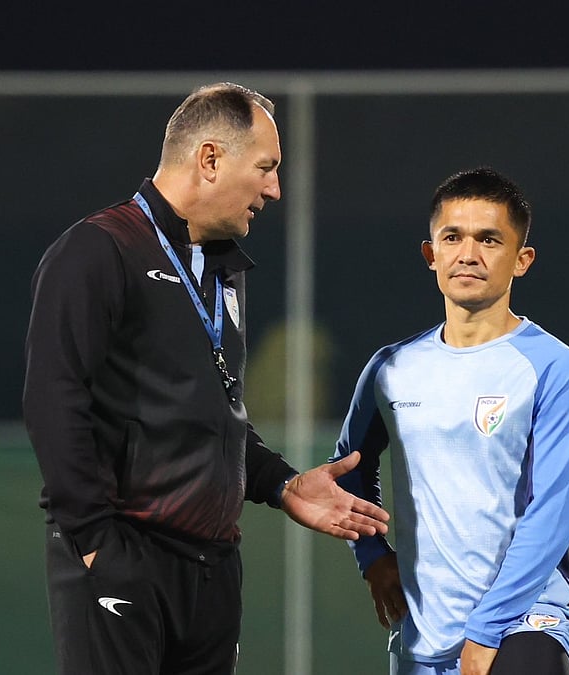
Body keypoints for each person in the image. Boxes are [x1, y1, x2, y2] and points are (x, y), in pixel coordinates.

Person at [23, 82, 390, 675]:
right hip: (124, 554)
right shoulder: (97, 250)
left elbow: (210, 415)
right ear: (211, 159)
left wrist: (283, 485)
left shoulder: (222, 268)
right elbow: (53, 402)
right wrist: (95, 545)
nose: (274, 189)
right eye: (266, 168)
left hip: (213, 568)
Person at [332, 167, 569, 675]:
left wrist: (487, 627)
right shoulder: (391, 368)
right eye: (452, 237)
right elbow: (348, 469)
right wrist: (371, 555)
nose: (468, 253)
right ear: (431, 254)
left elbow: (553, 514)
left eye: (489, 239)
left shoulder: (555, 368)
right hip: (423, 635)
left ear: (522, 261)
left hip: (524, 624)